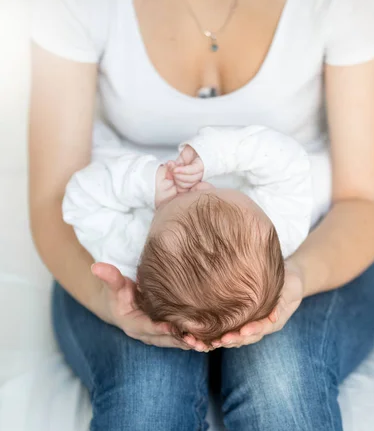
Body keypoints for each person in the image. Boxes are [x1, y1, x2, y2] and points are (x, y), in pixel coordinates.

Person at [29, 0, 374, 431]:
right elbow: (61, 202)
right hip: (145, 255)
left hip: (314, 247)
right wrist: (113, 301)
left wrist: (294, 278)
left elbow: (363, 197)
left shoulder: (342, 1)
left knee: (283, 378)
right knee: (148, 389)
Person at [62, 124, 312, 345]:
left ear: (138, 274)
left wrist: (147, 183)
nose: (197, 184)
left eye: (180, 200)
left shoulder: (129, 251)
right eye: (212, 193)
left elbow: (81, 198)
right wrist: (213, 157)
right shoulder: (280, 229)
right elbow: (289, 162)